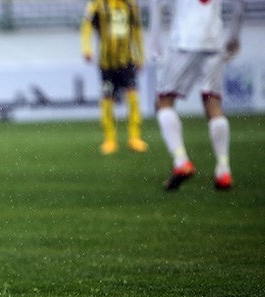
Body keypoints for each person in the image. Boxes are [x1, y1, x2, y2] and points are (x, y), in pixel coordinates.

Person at [150, 0, 244, 191]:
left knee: (163, 101)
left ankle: (180, 160)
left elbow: (157, 4)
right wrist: (234, 36)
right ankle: (223, 170)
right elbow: (239, 6)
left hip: (184, 41)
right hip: (214, 41)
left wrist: (154, 43)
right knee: (213, 103)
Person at [80, 0, 148, 155]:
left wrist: (140, 55)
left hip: (127, 60)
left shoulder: (130, 5)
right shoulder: (97, 5)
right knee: (107, 98)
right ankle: (109, 139)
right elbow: (86, 27)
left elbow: (136, 30)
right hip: (106, 63)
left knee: (132, 95)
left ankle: (134, 137)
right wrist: (87, 48)